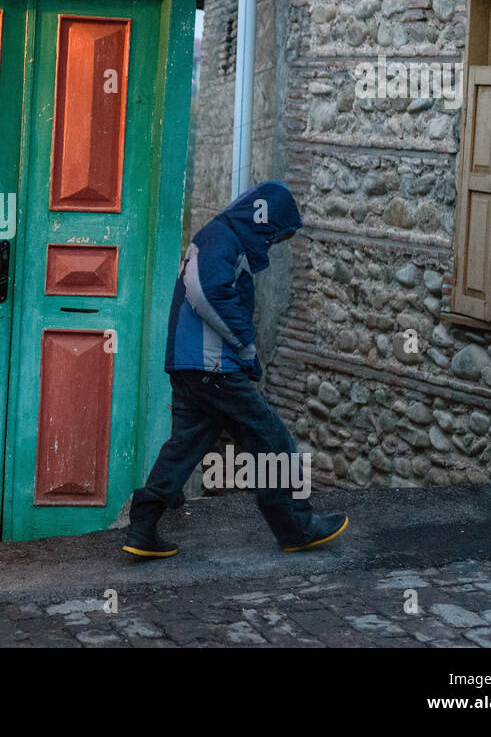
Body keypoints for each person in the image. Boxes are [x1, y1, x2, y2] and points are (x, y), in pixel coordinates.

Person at [123, 180, 349, 558]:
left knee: (184, 448)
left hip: (190, 364)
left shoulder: (219, 236)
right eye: (275, 235)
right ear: (264, 221)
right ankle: (296, 527)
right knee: (272, 439)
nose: (273, 244)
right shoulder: (222, 239)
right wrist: (245, 344)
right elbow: (205, 292)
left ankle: (142, 529)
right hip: (213, 367)